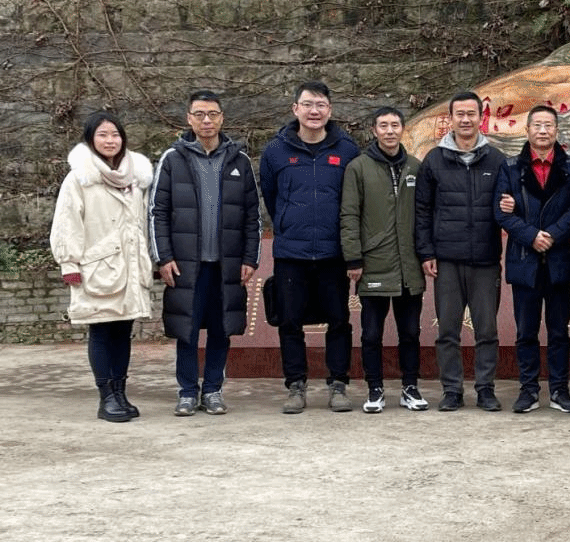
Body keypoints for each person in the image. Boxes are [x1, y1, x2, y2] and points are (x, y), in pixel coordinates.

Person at [149, 90, 261, 416]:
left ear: (222, 118)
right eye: (199, 114)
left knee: (221, 329)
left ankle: (212, 389)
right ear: (189, 118)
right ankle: (187, 391)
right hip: (186, 265)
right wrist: (164, 257)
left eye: (212, 114)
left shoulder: (239, 160)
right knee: (186, 330)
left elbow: (252, 215)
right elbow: (157, 212)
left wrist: (250, 258)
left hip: (226, 265)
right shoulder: (173, 159)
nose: (207, 120)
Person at [260, 81, 360, 414]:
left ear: (329, 110)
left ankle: (338, 384)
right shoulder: (276, 151)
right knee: (289, 322)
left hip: (334, 252)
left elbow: (353, 200)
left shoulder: (347, 150)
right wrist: (290, 224)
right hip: (291, 253)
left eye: (320, 105)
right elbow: (271, 198)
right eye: (307, 104)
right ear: (295, 109)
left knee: (339, 320)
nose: (314, 111)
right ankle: (295, 385)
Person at [50, 112, 154, 422]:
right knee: (101, 329)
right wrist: (68, 262)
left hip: (129, 266)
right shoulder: (79, 178)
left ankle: (120, 392)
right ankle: (106, 396)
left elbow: (143, 223)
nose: (110, 141)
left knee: (123, 330)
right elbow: (66, 222)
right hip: (95, 266)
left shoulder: (136, 178)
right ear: (91, 139)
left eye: (115, 134)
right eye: (102, 135)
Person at [414, 91, 506, 412]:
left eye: (471, 114)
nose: (465, 120)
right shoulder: (434, 160)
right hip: (447, 260)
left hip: (485, 259)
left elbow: (506, 206)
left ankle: (485, 389)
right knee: (448, 331)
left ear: (481, 117)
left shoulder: (496, 159)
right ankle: (452, 390)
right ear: (450, 118)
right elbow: (422, 210)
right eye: (459, 114)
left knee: (487, 330)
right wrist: (426, 252)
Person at [495, 105, 570, 414]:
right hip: (525, 259)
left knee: (559, 331)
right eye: (537, 125)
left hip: (560, 259)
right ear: (528, 130)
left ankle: (560, 389)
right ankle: (528, 390)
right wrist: (532, 235)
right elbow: (501, 213)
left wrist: (553, 235)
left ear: (557, 130)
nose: (543, 131)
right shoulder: (510, 167)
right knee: (526, 332)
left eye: (549, 125)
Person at [341, 106, 430, 413]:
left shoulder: (416, 166)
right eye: (383, 125)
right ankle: (375, 389)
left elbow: (425, 214)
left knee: (411, 332)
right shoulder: (358, 168)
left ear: (402, 129)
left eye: (395, 125)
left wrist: (426, 253)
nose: (390, 131)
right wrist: (353, 258)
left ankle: (410, 387)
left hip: (409, 265)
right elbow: (349, 215)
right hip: (373, 262)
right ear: (374, 131)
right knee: (371, 334)